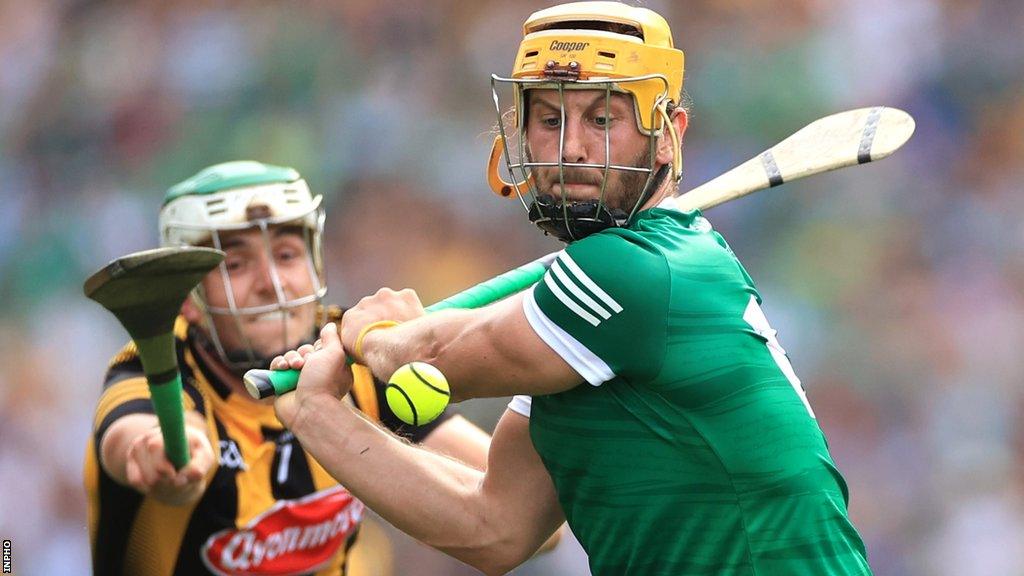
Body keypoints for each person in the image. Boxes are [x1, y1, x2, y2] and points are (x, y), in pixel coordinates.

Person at [271, 2, 873, 576]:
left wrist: (379, 332)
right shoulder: (575, 323)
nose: (571, 147)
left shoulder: (639, 270)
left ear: (668, 133)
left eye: (603, 119)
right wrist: (317, 414)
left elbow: (428, 356)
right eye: (550, 119)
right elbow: (493, 528)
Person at [83, 160, 494, 575]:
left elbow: (516, 511)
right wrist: (164, 454)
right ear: (187, 298)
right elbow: (134, 436)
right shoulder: (151, 368)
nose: (272, 283)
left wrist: (449, 353)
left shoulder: (358, 353)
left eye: (286, 255)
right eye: (235, 265)